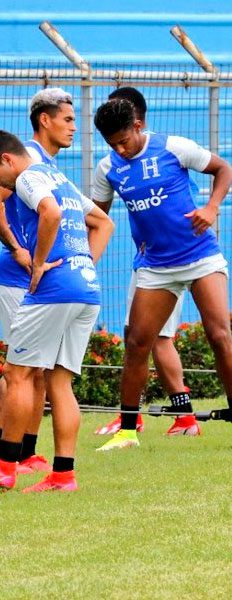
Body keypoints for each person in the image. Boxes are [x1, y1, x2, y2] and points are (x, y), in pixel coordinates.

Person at [0, 130, 113, 492]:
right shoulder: (61, 178)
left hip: (53, 289)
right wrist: (82, 264)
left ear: (7, 159)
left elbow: (48, 212)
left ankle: (4, 464)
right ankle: (63, 475)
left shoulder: (27, 178)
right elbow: (104, 223)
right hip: (86, 288)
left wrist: (37, 263)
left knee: (17, 374)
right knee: (59, 382)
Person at [92, 98, 232, 452]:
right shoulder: (107, 168)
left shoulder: (173, 147)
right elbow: (98, 217)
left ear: (138, 126)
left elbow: (223, 169)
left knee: (219, 334)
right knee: (138, 343)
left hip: (200, 256)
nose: (120, 149)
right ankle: (127, 430)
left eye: (124, 140)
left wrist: (211, 208)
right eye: (112, 144)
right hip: (155, 267)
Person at [0, 88, 77, 475]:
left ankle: (21, 452)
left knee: (33, 370)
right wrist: (21, 252)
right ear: (44, 120)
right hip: (19, 279)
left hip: (41, 282)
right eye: (67, 120)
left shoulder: (48, 164)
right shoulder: (28, 158)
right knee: (20, 369)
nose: (73, 127)